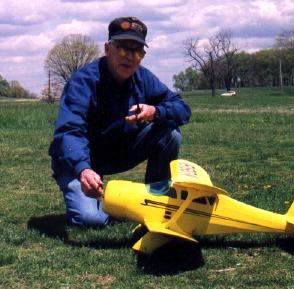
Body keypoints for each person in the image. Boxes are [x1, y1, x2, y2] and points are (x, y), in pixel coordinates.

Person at [49, 16, 191, 226]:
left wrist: (155, 111)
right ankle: (97, 200)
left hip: (115, 152)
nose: (131, 57)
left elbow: (182, 108)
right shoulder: (83, 81)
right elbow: (69, 132)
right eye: (124, 48)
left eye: (138, 51)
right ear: (108, 48)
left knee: (170, 134)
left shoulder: (143, 78)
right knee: (91, 220)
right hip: (77, 160)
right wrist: (83, 168)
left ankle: (157, 201)